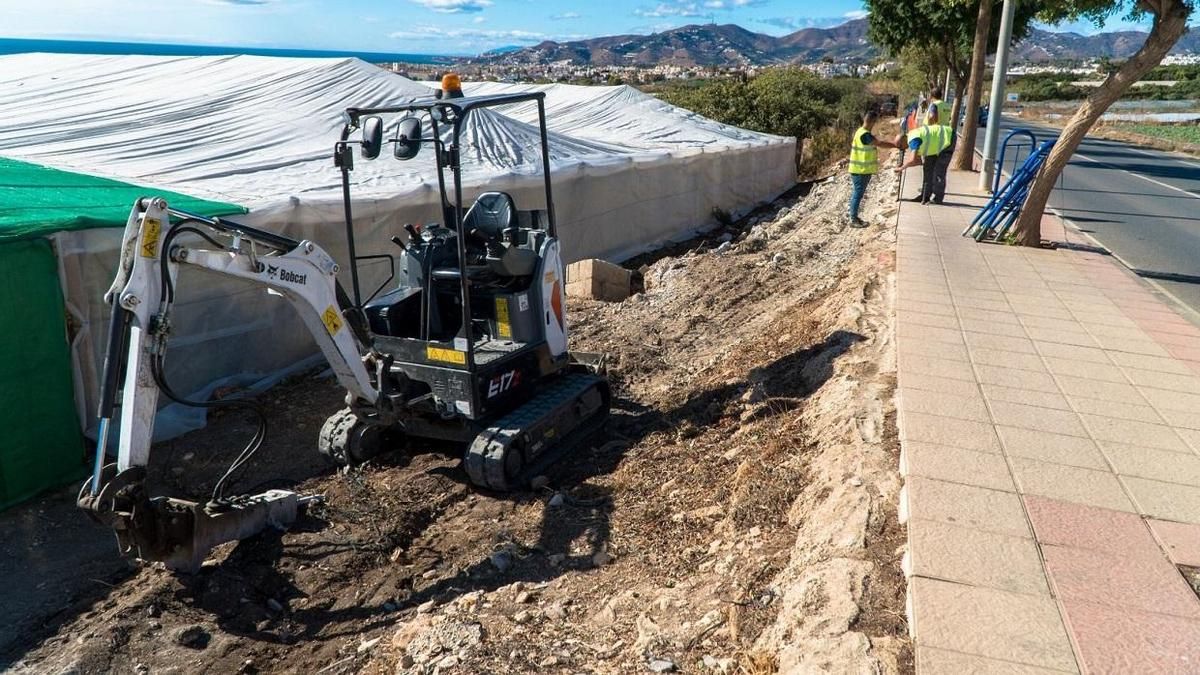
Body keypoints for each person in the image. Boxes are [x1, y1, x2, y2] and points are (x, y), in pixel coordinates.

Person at [896, 104, 955, 204]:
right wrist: (907, 164)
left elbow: (912, 160)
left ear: (903, 141)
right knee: (927, 168)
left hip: (948, 139)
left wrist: (901, 168)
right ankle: (925, 195)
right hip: (935, 146)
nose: (903, 149)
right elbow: (918, 161)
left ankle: (938, 198)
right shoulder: (912, 137)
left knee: (939, 171)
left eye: (901, 147)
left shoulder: (913, 140)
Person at [848, 109, 897, 228]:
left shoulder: (860, 131)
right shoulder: (865, 134)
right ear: (871, 122)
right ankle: (853, 219)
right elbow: (879, 143)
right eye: (875, 122)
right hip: (860, 170)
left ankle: (854, 217)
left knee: (858, 194)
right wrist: (895, 145)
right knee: (857, 194)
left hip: (861, 170)